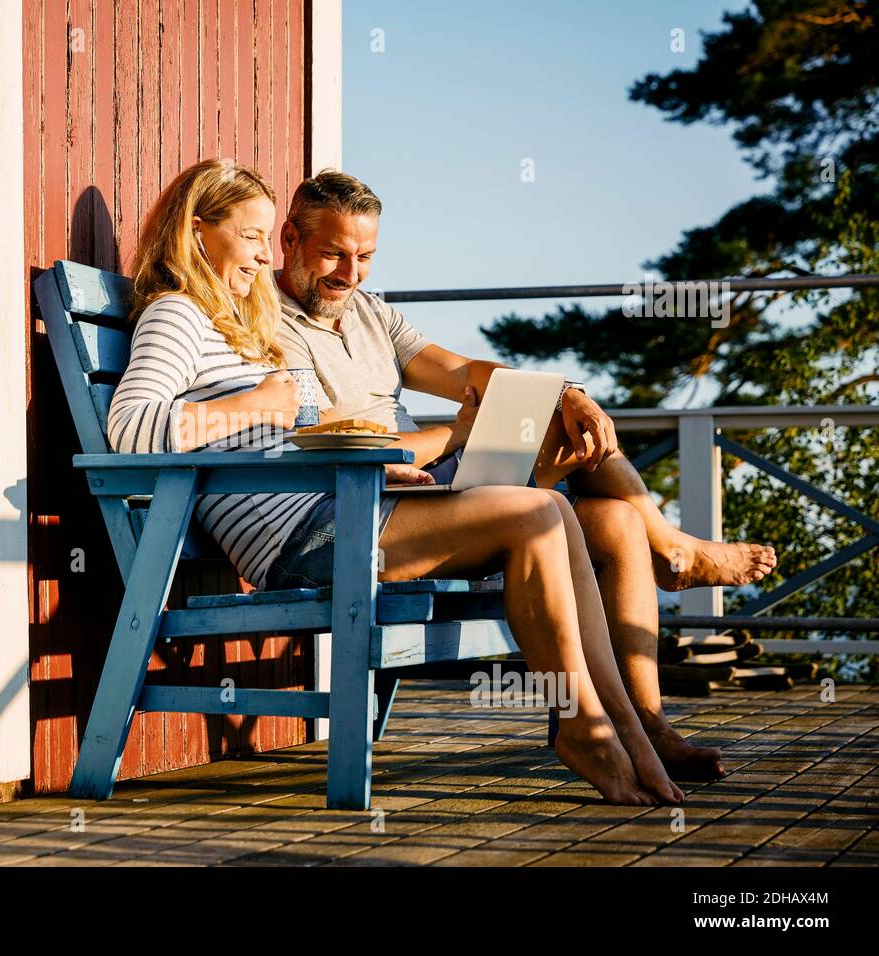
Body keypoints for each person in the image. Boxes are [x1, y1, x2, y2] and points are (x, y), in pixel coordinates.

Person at [109, 158, 681, 806]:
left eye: (264, 237)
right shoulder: (177, 315)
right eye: (250, 236)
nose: (261, 254)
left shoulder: (236, 322)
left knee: (558, 498)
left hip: (350, 503)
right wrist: (257, 407)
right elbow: (127, 429)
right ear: (196, 231)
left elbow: (300, 422)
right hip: (310, 533)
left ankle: (621, 726)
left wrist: (546, 397)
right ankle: (596, 729)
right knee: (541, 512)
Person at [272, 169, 778, 781]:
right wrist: (456, 435)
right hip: (368, 499)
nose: (349, 275)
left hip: (432, 481)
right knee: (555, 488)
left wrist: (567, 392)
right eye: (333, 254)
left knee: (610, 509)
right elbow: (331, 442)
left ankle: (648, 720)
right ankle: (671, 550)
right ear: (289, 238)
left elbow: (465, 372)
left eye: (365, 257)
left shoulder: (371, 314)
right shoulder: (265, 322)